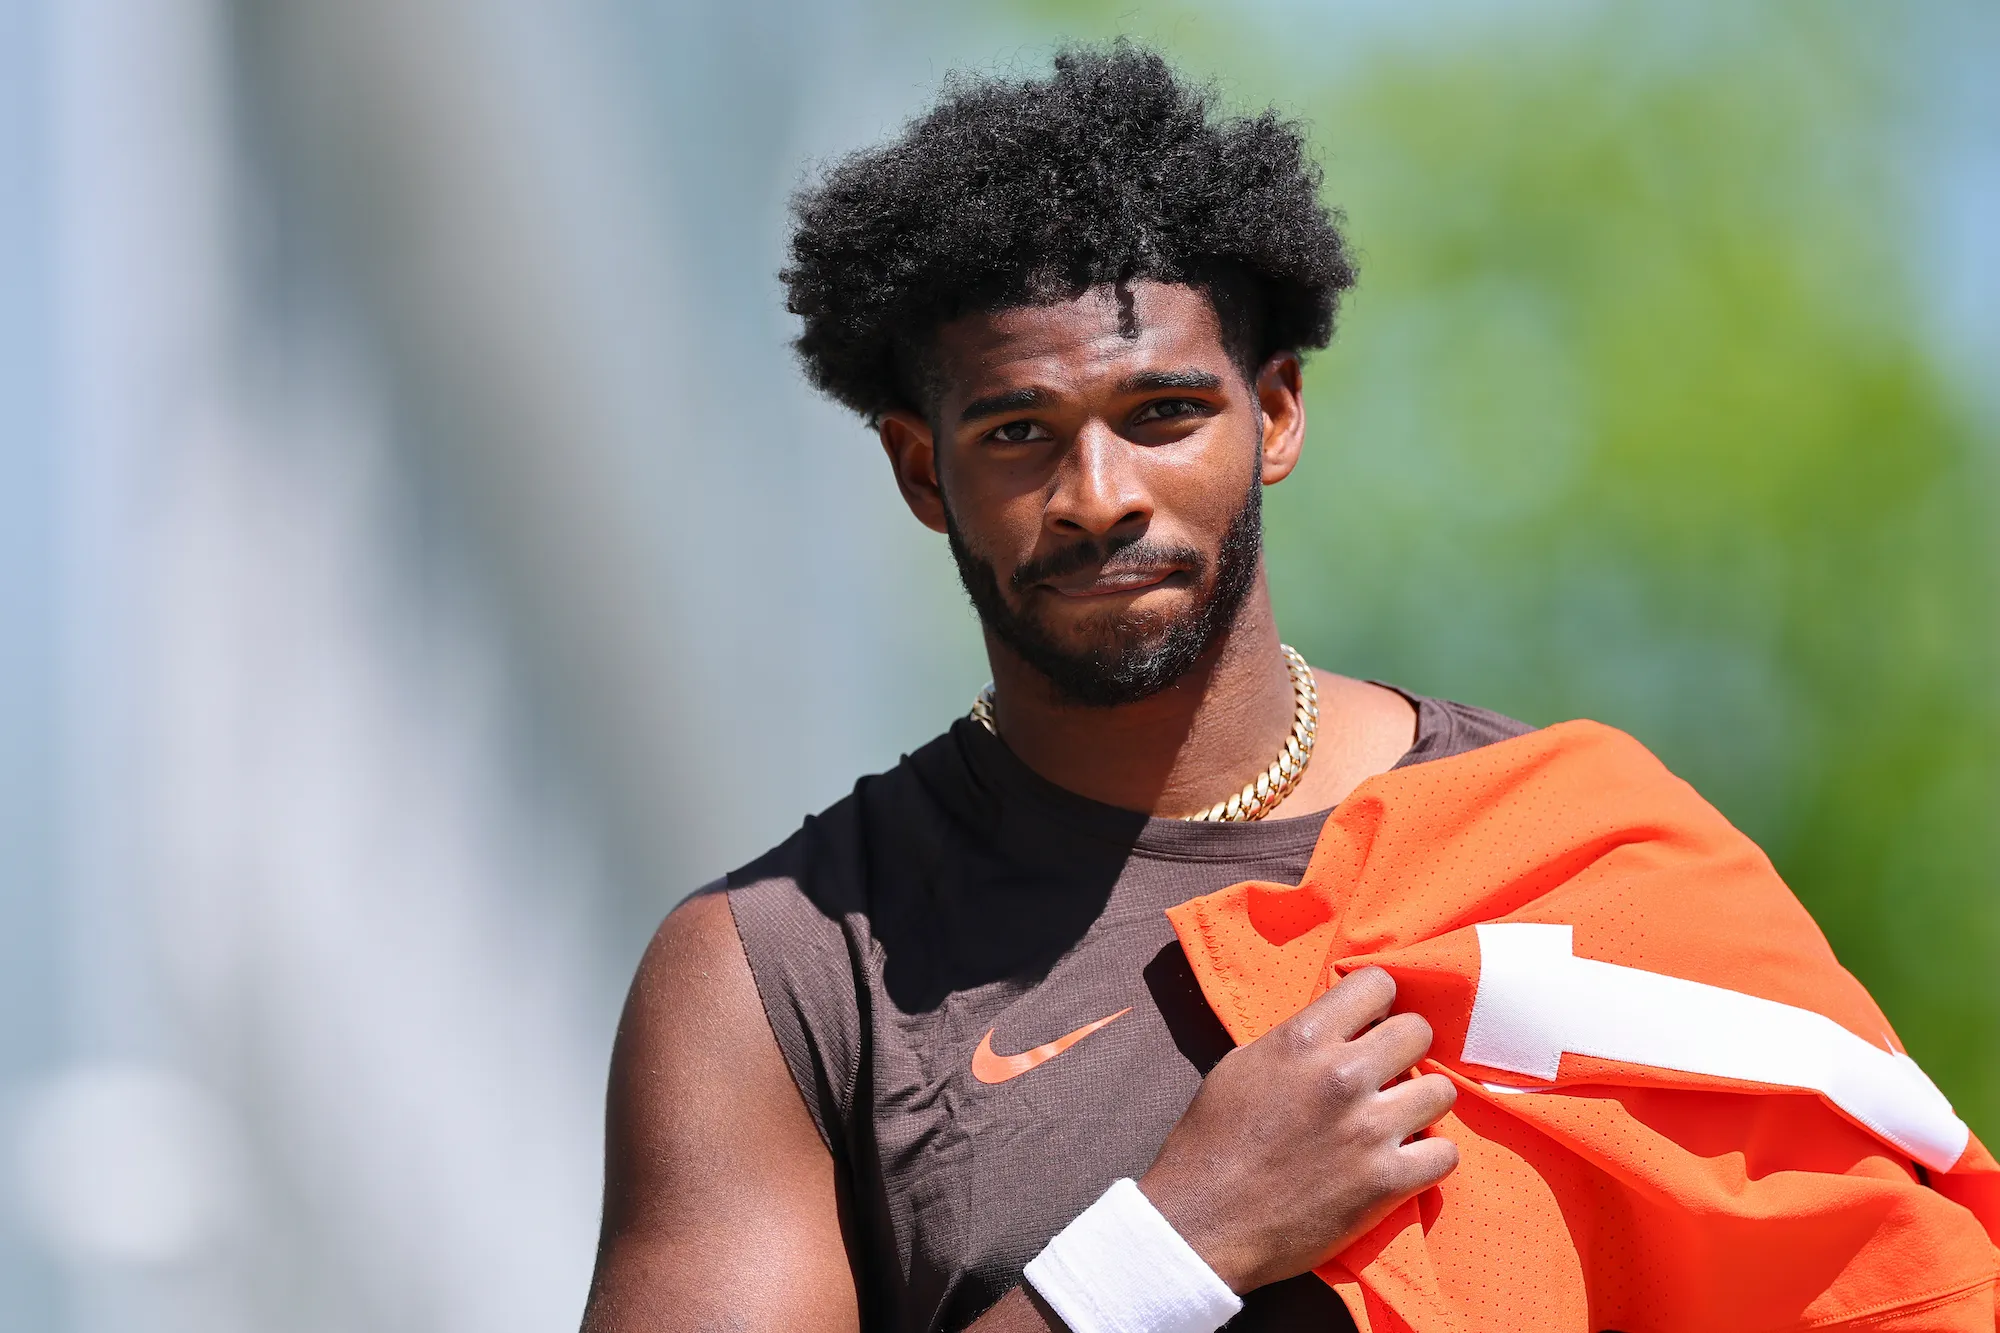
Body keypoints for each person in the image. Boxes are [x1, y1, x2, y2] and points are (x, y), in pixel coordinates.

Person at [579, 43, 1998, 1333]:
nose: (1098, 495)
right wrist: (1168, 1246)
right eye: (1019, 432)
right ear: (918, 470)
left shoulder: (1579, 858)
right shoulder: (781, 977)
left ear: (1275, 414)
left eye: (1163, 414)